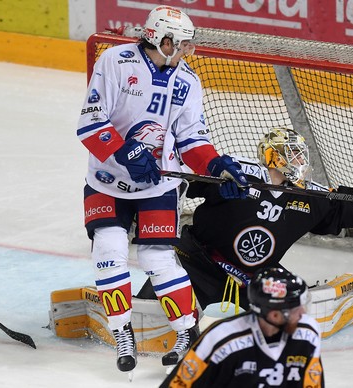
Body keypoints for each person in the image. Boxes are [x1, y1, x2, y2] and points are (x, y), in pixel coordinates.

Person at [76, 6, 249, 373]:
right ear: (164, 40)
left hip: (158, 184)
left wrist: (216, 165)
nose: (189, 51)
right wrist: (124, 153)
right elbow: (90, 123)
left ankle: (187, 332)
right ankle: (123, 331)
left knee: (156, 259)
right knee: (109, 248)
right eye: (183, 44)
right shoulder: (115, 62)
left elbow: (192, 140)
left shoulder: (188, 81)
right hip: (106, 180)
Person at [138, 127, 353, 313]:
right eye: (294, 153)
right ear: (274, 156)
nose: (301, 160)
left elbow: (352, 210)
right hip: (197, 261)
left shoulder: (311, 197)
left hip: (251, 278)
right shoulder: (236, 171)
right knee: (153, 306)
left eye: (301, 154)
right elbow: (182, 179)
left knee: (296, 305)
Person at [160, 267, 324, 387]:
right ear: (274, 315)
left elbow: (313, 382)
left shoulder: (307, 334)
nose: (303, 313)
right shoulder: (221, 339)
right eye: (296, 309)